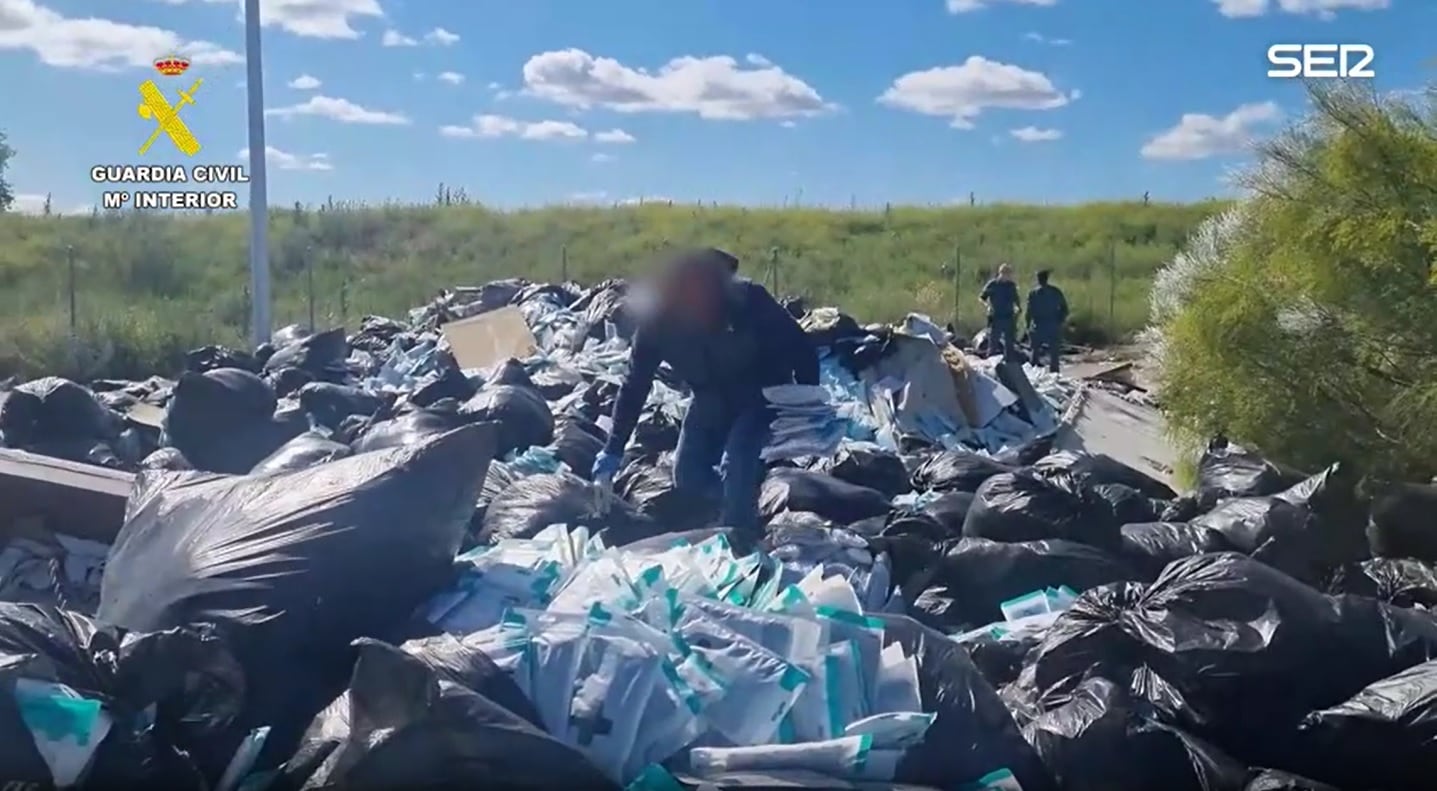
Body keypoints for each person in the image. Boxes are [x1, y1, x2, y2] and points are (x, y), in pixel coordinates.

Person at [590, 247, 818, 536]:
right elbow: (635, 384)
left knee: (736, 464)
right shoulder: (655, 325)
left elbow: (801, 348)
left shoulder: (749, 301)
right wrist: (612, 449)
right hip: (708, 398)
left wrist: (809, 405)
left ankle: (741, 542)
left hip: (762, 396)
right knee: (687, 476)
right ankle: (747, 503)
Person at [1026, 269, 1069, 373]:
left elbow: (1029, 311)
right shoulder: (1055, 291)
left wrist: (1028, 325)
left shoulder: (1033, 293)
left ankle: (1032, 374)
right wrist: (1060, 320)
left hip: (1038, 325)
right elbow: (1065, 309)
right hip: (1052, 324)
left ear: (1038, 280)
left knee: (1035, 352)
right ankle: (1054, 374)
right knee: (1054, 353)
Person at [979, 263, 1020, 358]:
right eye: (1005, 274)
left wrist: (1017, 307)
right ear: (1000, 273)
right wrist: (988, 306)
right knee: (993, 341)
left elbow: (1016, 299)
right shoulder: (993, 284)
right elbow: (982, 297)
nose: (1007, 276)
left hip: (1009, 316)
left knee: (1009, 342)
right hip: (996, 316)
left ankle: (1009, 361)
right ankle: (990, 360)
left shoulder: (1011, 286)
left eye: (1009, 274)